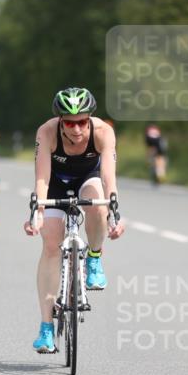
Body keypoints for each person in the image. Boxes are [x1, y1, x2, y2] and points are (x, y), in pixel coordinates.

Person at [24, 86, 125, 353]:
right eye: (70, 122)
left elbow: (108, 178)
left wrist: (115, 213)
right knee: (50, 244)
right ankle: (46, 328)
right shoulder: (47, 132)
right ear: (60, 120)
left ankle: (93, 258)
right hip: (55, 183)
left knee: (97, 206)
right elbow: (42, 178)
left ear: (89, 118)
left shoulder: (103, 132)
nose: (77, 128)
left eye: (82, 121)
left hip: (88, 178)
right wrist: (38, 214)